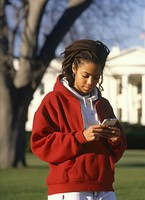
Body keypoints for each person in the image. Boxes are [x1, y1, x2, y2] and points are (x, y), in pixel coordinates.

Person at [31, 39, 127, 200]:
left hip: (104, 188)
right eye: (86, 75)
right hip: (69, 190)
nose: (91, 82)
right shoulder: (54, 100)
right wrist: (81, 137)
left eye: (97, 77)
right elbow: (40, 144)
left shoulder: (103, 105)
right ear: (74, 68)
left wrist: (116, 140)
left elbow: (115, 154)